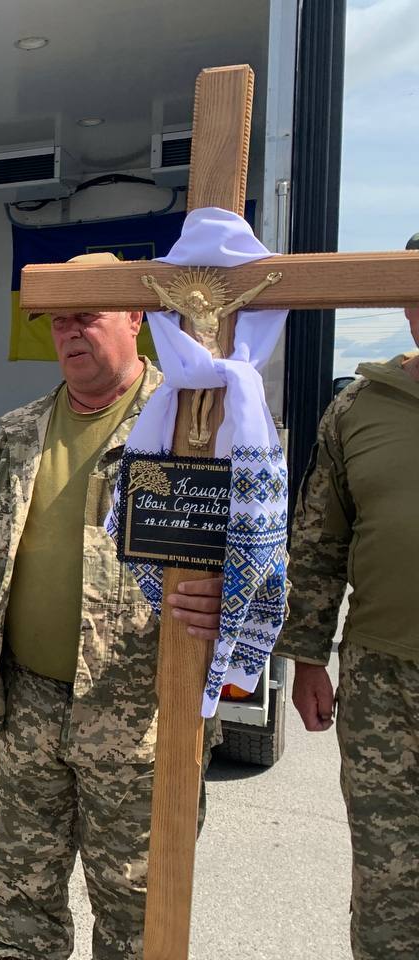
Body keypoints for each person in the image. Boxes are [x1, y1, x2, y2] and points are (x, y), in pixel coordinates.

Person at [0, 253, 224, 960]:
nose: (69, 333)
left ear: (135, 319)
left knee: (138, 911)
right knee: (20, 899)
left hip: (138, 716)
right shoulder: (18, 432)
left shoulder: (190, 426)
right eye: (59, 321)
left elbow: (255, 555)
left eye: (86, 317)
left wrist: (231, 598)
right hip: (26, 707)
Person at [278, 233, 419, 960]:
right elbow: (319, 543)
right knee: (391, 888)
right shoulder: (359, 408)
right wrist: (307, 656)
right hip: (384, 684)